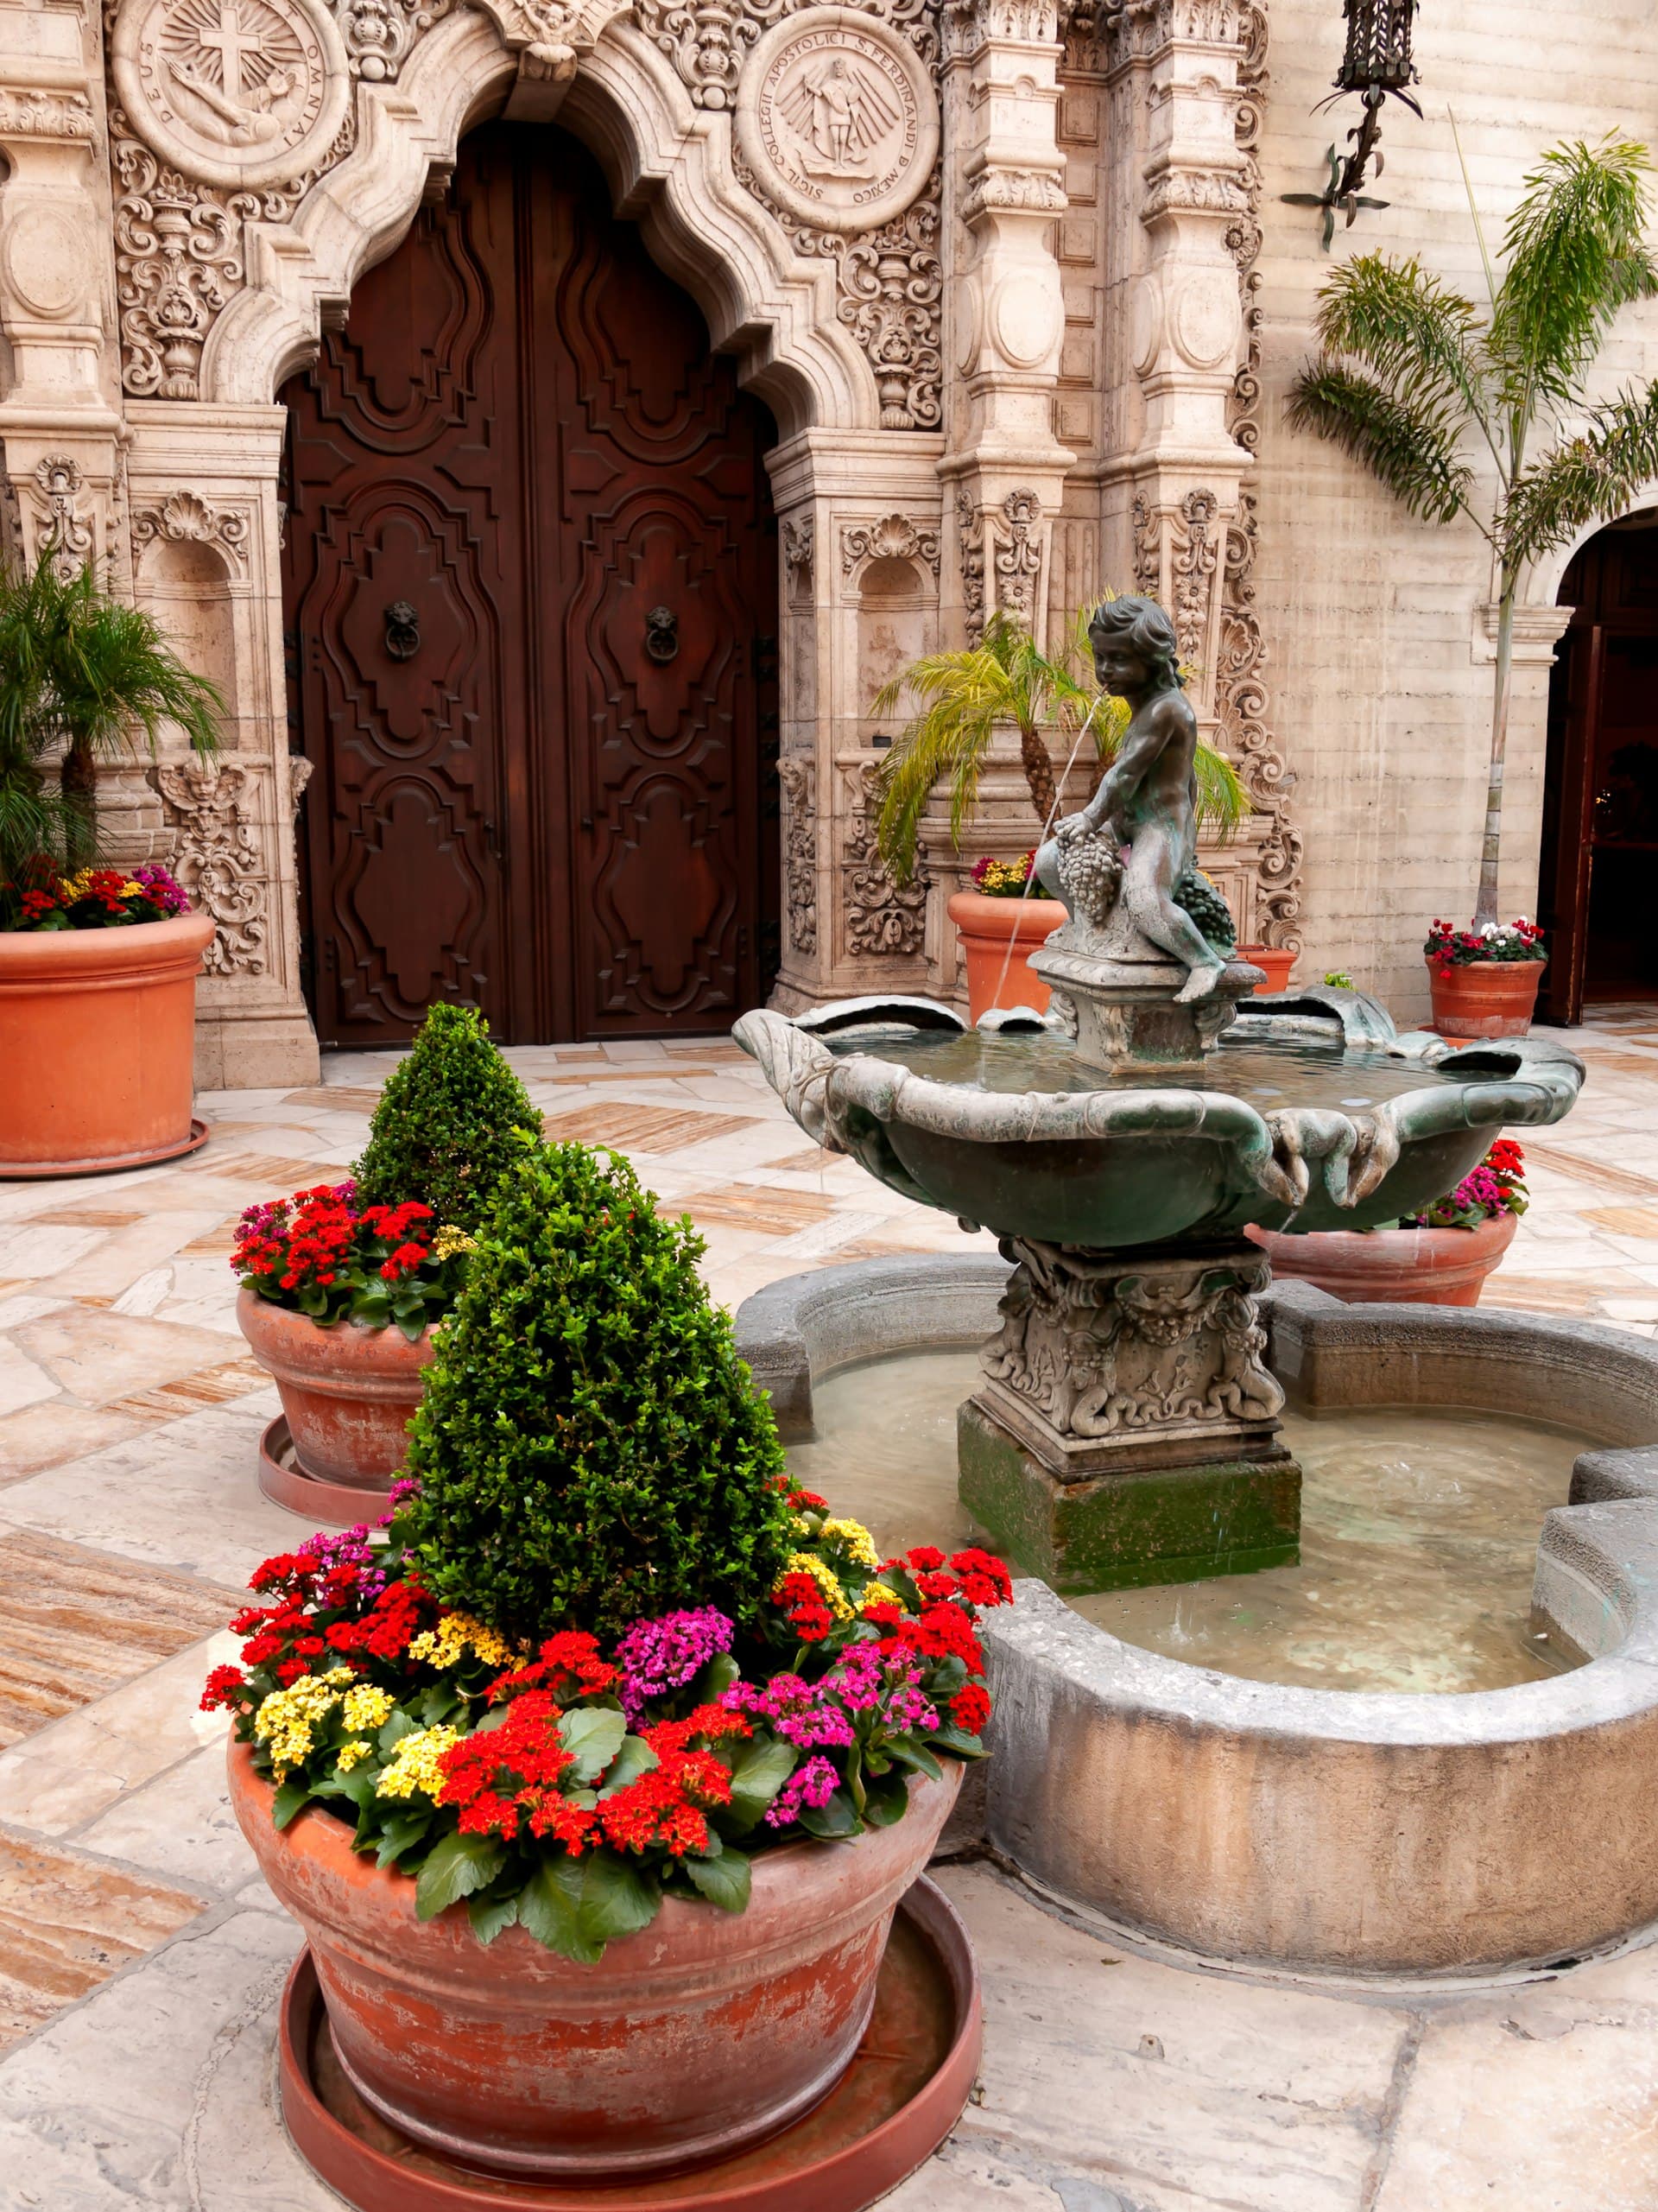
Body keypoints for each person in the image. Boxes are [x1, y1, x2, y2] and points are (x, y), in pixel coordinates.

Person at [1035, 596, 1226, 1005]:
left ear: (1153, 660)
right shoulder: (1143, 706)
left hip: (1161, 826)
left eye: (1118, 659)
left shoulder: (1168, 711)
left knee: (1144, 900)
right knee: (1049, 861)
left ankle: (1204, 961)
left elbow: (1123, 775)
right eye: (1101, 658)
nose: (1105, 671)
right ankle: (1086, 927)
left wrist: (1088, 817)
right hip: (1125, 823)